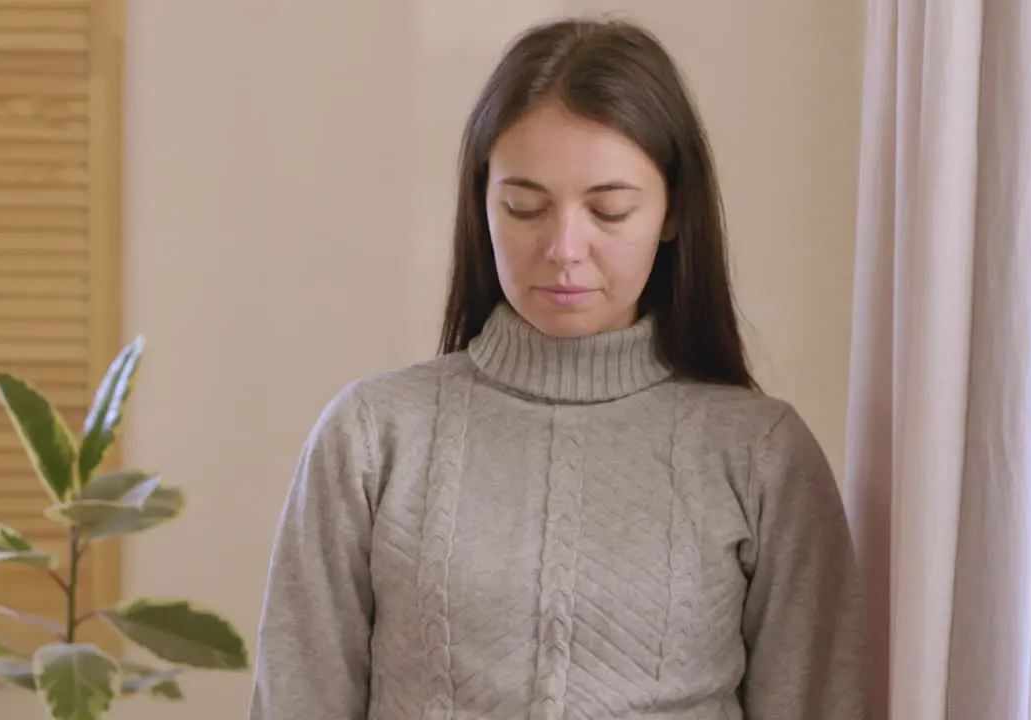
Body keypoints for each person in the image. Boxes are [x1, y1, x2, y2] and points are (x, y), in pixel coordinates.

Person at [248, 15, 865, 720]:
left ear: (672, 213)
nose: (564, 248)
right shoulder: (371, 437)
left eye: (609, 210)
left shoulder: (759, 455)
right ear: (481, 204)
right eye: (524, 207)